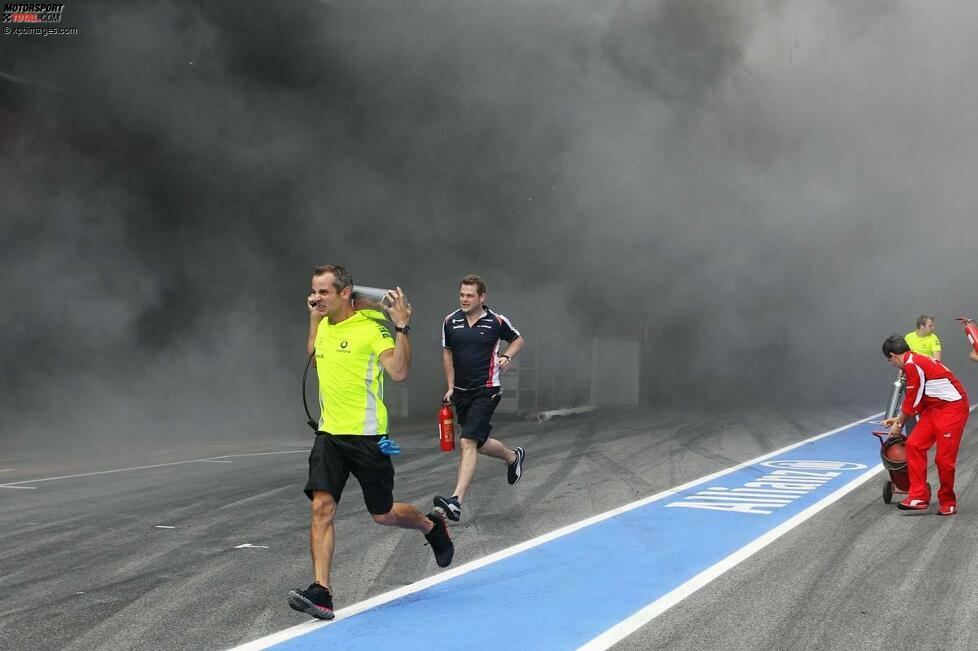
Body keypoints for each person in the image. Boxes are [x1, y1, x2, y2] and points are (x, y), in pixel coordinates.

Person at [288, 264, 454, 621]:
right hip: (329, 435)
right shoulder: (324, 327)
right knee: (321, 507)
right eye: (313, 291)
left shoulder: (371, 330)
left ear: (345, 293)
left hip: (368, 438)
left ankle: (430, 526)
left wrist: (401, 327)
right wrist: (315, 318)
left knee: (384, 514)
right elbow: (315, 357)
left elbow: (398, 372)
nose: (315, 297)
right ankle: (322, 592)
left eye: (323, 292)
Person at [433, 274, 526, 522]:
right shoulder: (450, 321)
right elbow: (447, 354)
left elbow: (518, 340)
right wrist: (451, 386)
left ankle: (456, 501)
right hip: (462, 392)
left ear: (482, 297)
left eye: (469, 295)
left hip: (487, 390)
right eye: (462, 294)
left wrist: (507, 357)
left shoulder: (496, 321)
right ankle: (512, 457)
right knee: (479, 443)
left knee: (467, 443)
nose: (464, 299)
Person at [881, 334, 970, 515]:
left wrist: (898, 425)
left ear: (892, 356)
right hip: (934, 407)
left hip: (952, 408)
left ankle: (948, 501)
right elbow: (919, 397)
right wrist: (898, 419)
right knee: (914, 445)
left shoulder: (912, 365)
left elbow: (912, 400)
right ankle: (918, 497)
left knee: (943, 460)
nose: (892, 365)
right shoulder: (914, 360)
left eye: (890, 361)